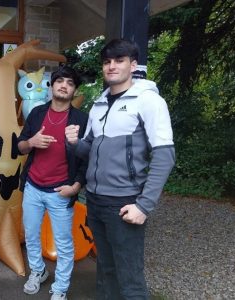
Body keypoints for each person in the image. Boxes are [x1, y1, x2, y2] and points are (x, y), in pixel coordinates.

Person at [65, 39, 175, 300]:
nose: (111, 66)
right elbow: (89, 150)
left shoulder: (149, 101)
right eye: (106, 62)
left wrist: (144, 206)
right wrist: (73, 144)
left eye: (119, 60)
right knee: (105, 270)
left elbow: (165, 155)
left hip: (125, 203)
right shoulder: (100, 104)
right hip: (95, 199)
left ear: (132, 65)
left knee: (130, 279)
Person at [17, 66, 88, 300]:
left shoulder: (81, 119)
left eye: (69, 82)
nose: (64, 85)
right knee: (31, 235)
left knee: (64, 243)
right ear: (52, 85)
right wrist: (32, 142)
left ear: (74, 89)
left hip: (61, 191)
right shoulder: (37, 113)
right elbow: (19, 147)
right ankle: (38, 271)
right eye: (59, 81)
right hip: (33, 187)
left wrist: (75, 187)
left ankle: (60, 288)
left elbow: (88, 158)